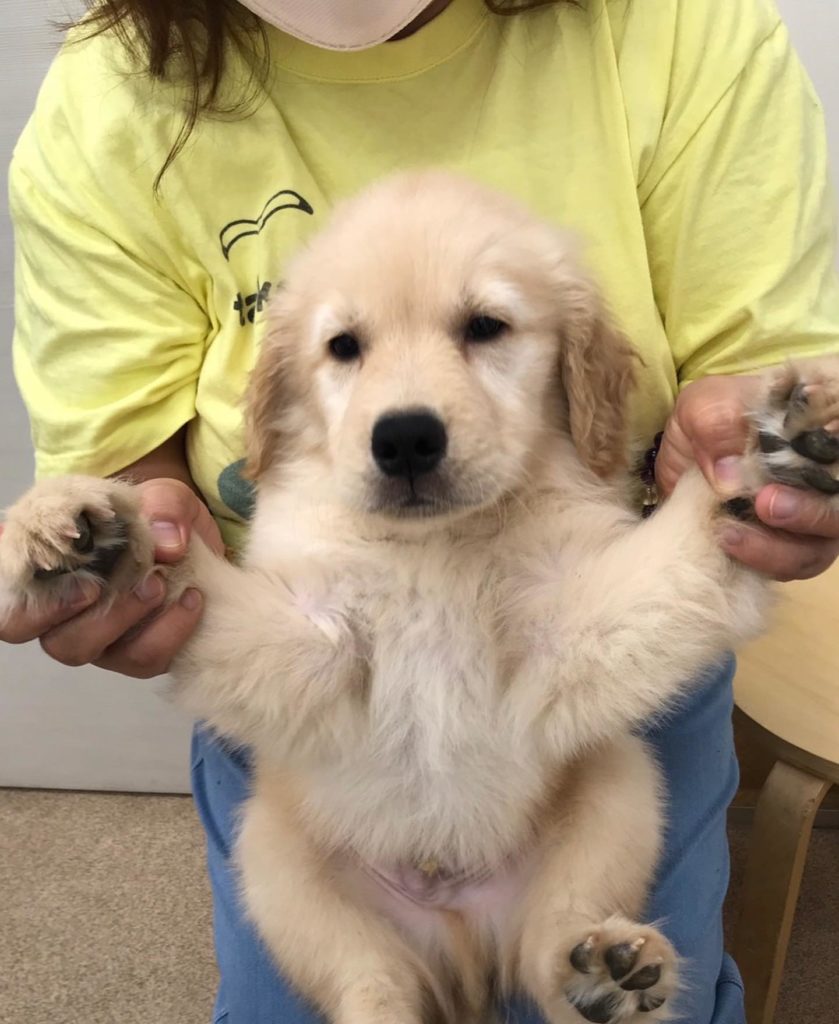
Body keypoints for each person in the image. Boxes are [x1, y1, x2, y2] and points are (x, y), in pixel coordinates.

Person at [4, 0, 839, 1021]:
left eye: (483, 327)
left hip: (555, 790)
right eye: (345, 347)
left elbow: (609, 636)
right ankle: (370, 989)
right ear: (282, 399)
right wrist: (129, 538)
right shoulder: (108, 97)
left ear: (582, 367)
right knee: (280, 845)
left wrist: (744, 467)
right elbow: (254, 648)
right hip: (340, 834)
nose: (407, 413)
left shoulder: (682, 27)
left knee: (615, 785)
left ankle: (564, 943)